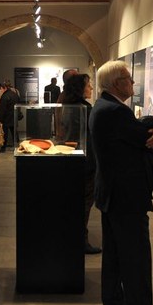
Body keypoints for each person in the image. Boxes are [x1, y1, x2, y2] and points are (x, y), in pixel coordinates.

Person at [88, 60, 153, 305]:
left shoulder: (103, 106)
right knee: (137, 259)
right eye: (129, 79)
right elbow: (145, 139)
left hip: (112, 194)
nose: (133, 83)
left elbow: (142, 137)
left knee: (115, 256)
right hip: (126, 196)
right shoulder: (116, 112)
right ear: (117, 83)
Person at [61, 73, 102, 254]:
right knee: (84, 203)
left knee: (78, 202)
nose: (91, 88)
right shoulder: (83, 109)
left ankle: (74, 237)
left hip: (75, 158)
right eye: (88, 85)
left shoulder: (69, 106)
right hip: (84, 162)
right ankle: (80, 241)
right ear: (79, 88)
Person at [0, 79, 19, 153]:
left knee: (4, 134)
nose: (1, 90)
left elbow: (2, 109)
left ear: (4, 88)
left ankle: (3, 148)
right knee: (14, 133)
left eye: (1, 89)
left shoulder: (4, 96)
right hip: (14, 116)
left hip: (6, 118)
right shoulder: (15, 94)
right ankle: (17, 146)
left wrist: (0, 119)